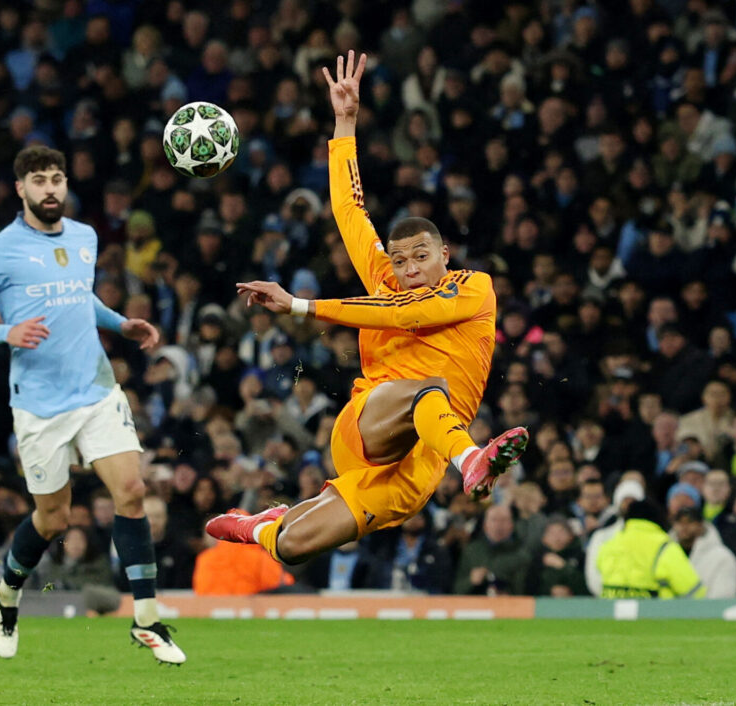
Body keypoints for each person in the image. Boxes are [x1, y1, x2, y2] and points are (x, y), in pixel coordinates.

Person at [206, 52, 529, 566]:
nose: (409, 268)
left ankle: (263, 523)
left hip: (416, 465)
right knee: (429, 388)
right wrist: (345, 122)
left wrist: (302, 306)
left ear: (444, 254)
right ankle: (472, 460)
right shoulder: (386, 280)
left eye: (422, 256)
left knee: (293, 548)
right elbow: (349, 209)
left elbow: (405, 314)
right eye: (400, 261)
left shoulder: (474, 288)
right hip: (369, 423)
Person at [0, 145, 184, 664]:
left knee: (132, 489)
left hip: (96, 388)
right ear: (21, 189)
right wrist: (6, 329)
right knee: (53, 519)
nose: (51, 188)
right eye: (39, 180)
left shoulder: (85, 236)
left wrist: (119, 322)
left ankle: (146, 620)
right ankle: (7, 596)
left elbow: (79, 296)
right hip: (39, 404)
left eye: (56, 178)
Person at [596, 499, 706, 598]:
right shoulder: (665, 547)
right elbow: (694, 591)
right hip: (654, 616)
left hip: (612, 616)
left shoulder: (609, 545)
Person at [670, 506, 736, 598]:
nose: (684, 526)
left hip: (707, 611)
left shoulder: (722, 557)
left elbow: (724, 597)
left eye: (690, 522)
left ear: (701, 525)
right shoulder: (664, 555)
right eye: (679, 522)